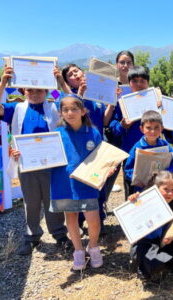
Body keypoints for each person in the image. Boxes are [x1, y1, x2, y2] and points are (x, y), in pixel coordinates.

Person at [0, 67, 69, 255]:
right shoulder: (16, 108)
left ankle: (59, 235)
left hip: (52, 165)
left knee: (53, 201)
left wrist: (60, 81)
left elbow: (74, 101)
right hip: (26, 164)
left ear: (47, 91)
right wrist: (3, 83)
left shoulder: (55, 107)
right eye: (30, 89)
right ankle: (32, 237)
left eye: (39, 90)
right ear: (24, 91)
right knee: (31, 203)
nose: (34, 93)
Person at [49, 94, 111, 270]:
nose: (70, 112)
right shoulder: (56, 134)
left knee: (93, 219)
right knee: (71, 218)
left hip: (87, 183)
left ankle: (93, 247)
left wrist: (108, 167)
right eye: (65, 109)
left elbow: (102, 158)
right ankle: (78, 251)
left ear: (83, 111)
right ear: (60, 113)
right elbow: (44, 156)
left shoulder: (93, 132)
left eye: (74, 109)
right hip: (64, 183)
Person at [61, 63, 111, 235]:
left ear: (83, 72)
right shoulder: (67, 97)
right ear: (68, 81)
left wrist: (112, 102)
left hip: (97, 145)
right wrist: (79, 93)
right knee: (80, 183)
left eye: (76, 71)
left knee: (98, 183)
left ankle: (99, 221)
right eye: (70, 75)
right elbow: (59, 102)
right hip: (78, 146)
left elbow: (104, 121)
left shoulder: (98, 95)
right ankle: (80, 222)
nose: (75, 75)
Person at [128, 171, 173, 280]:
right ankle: (142, 265)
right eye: (166, 189)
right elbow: (131, 212)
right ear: (156, 188)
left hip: (162, 240)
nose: (170, 193)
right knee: (153, 266)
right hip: (145, 241)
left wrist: (172, 235)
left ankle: (167, 258)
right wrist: (133, 199)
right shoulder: (144, 200)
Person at [109, 66, 154, 199]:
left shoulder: (155, 101)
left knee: (152, 190)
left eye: (142, 80)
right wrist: (122, 125)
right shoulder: (122, 103)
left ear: (148, 82)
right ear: (129, 83)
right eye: (134, 81)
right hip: (131, 154)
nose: (139, 84)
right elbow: (113, 127)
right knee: (131, 194)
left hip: (153, 152)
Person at [124, 110, 173, 194]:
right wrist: (135, 179)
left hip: (161, 188)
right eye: (148, 128)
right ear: (141, 129)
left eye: (156, 127)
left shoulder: (165, 146)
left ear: (162, 128)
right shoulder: (138, 147)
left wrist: (169, 174)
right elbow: (128, 168)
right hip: (141, 188)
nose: (153, 131)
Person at [104, 50, 135, 197]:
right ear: (116, 65)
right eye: (122, 62)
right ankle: (101, 205)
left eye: (129, 62)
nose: (125, 65)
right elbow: (105, 119)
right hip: (114, 137)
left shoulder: (138, 84)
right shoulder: (109, 86)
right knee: (108, 175)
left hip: (133, 138)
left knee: (132, 177)